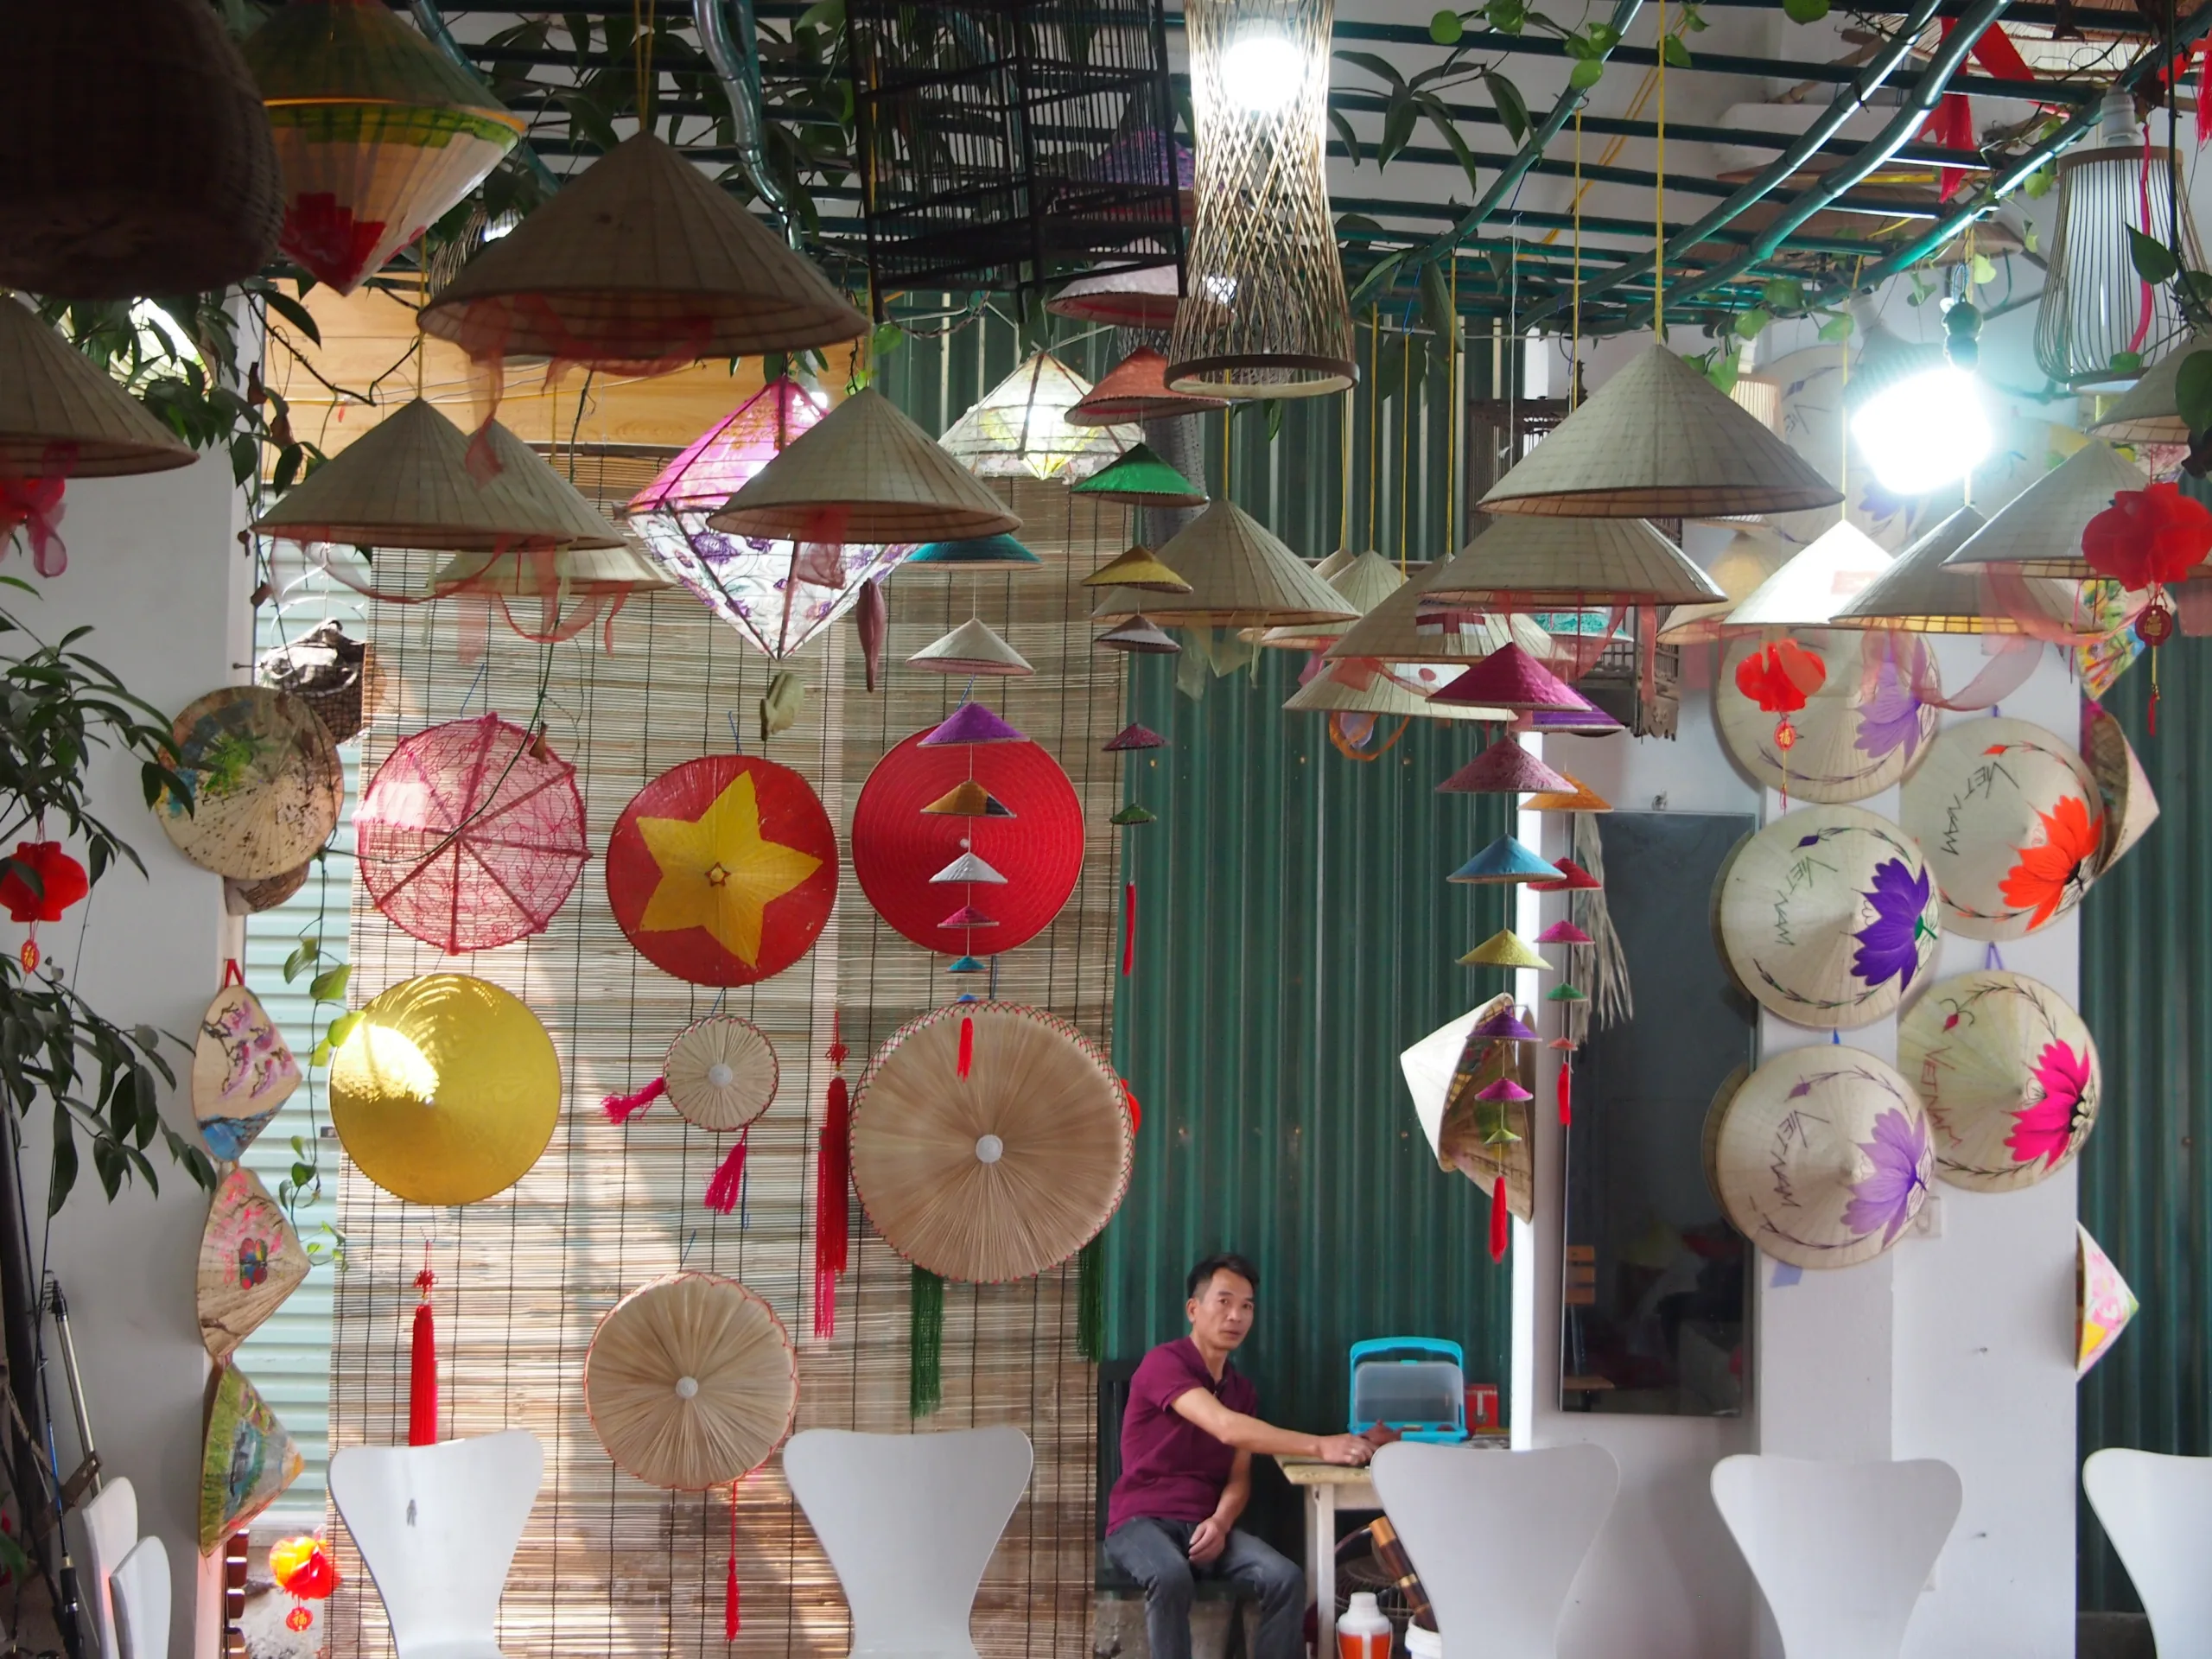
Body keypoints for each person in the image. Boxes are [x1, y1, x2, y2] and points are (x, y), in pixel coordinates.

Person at [1104, 1253, 1378, 1659]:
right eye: (1224, 1302)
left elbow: (1239, 1476)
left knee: (1285, 1578)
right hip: (1140, 1522)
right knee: (1171, 1575)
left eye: (1247, 1306)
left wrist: (1220, 1521)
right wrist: (1322, 1445)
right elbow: (1224, 1426)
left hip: (1205, 1524)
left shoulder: (1242, 1391)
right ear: (1193, 1310)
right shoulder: (1164, 1362)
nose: (1236, 1316)